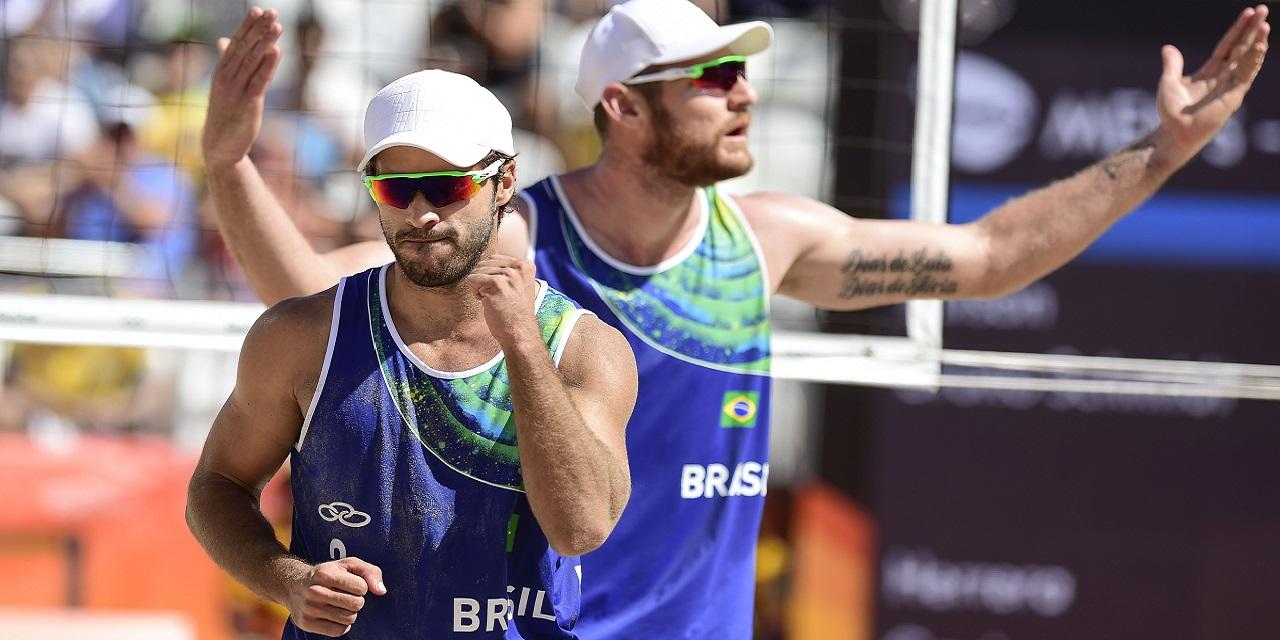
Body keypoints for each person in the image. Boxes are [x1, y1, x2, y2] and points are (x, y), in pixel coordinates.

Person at [200, 3, 1271, 637]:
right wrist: (231, 167)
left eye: (741, 71)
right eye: (711, 75)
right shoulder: (510, 235)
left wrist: (1165, 149)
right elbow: (310, 298)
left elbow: (991, 259)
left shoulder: (761, 240)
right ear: (623, 108)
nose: (742, 91)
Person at [186, 66, 637, 638]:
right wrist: (289, 582)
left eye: (447, 187)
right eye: (396, 189)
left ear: (505, 182)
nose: (420, 214)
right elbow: (216, 486)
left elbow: (581, 529)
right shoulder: (302, 335)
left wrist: (522, 346)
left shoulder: (581, 347)